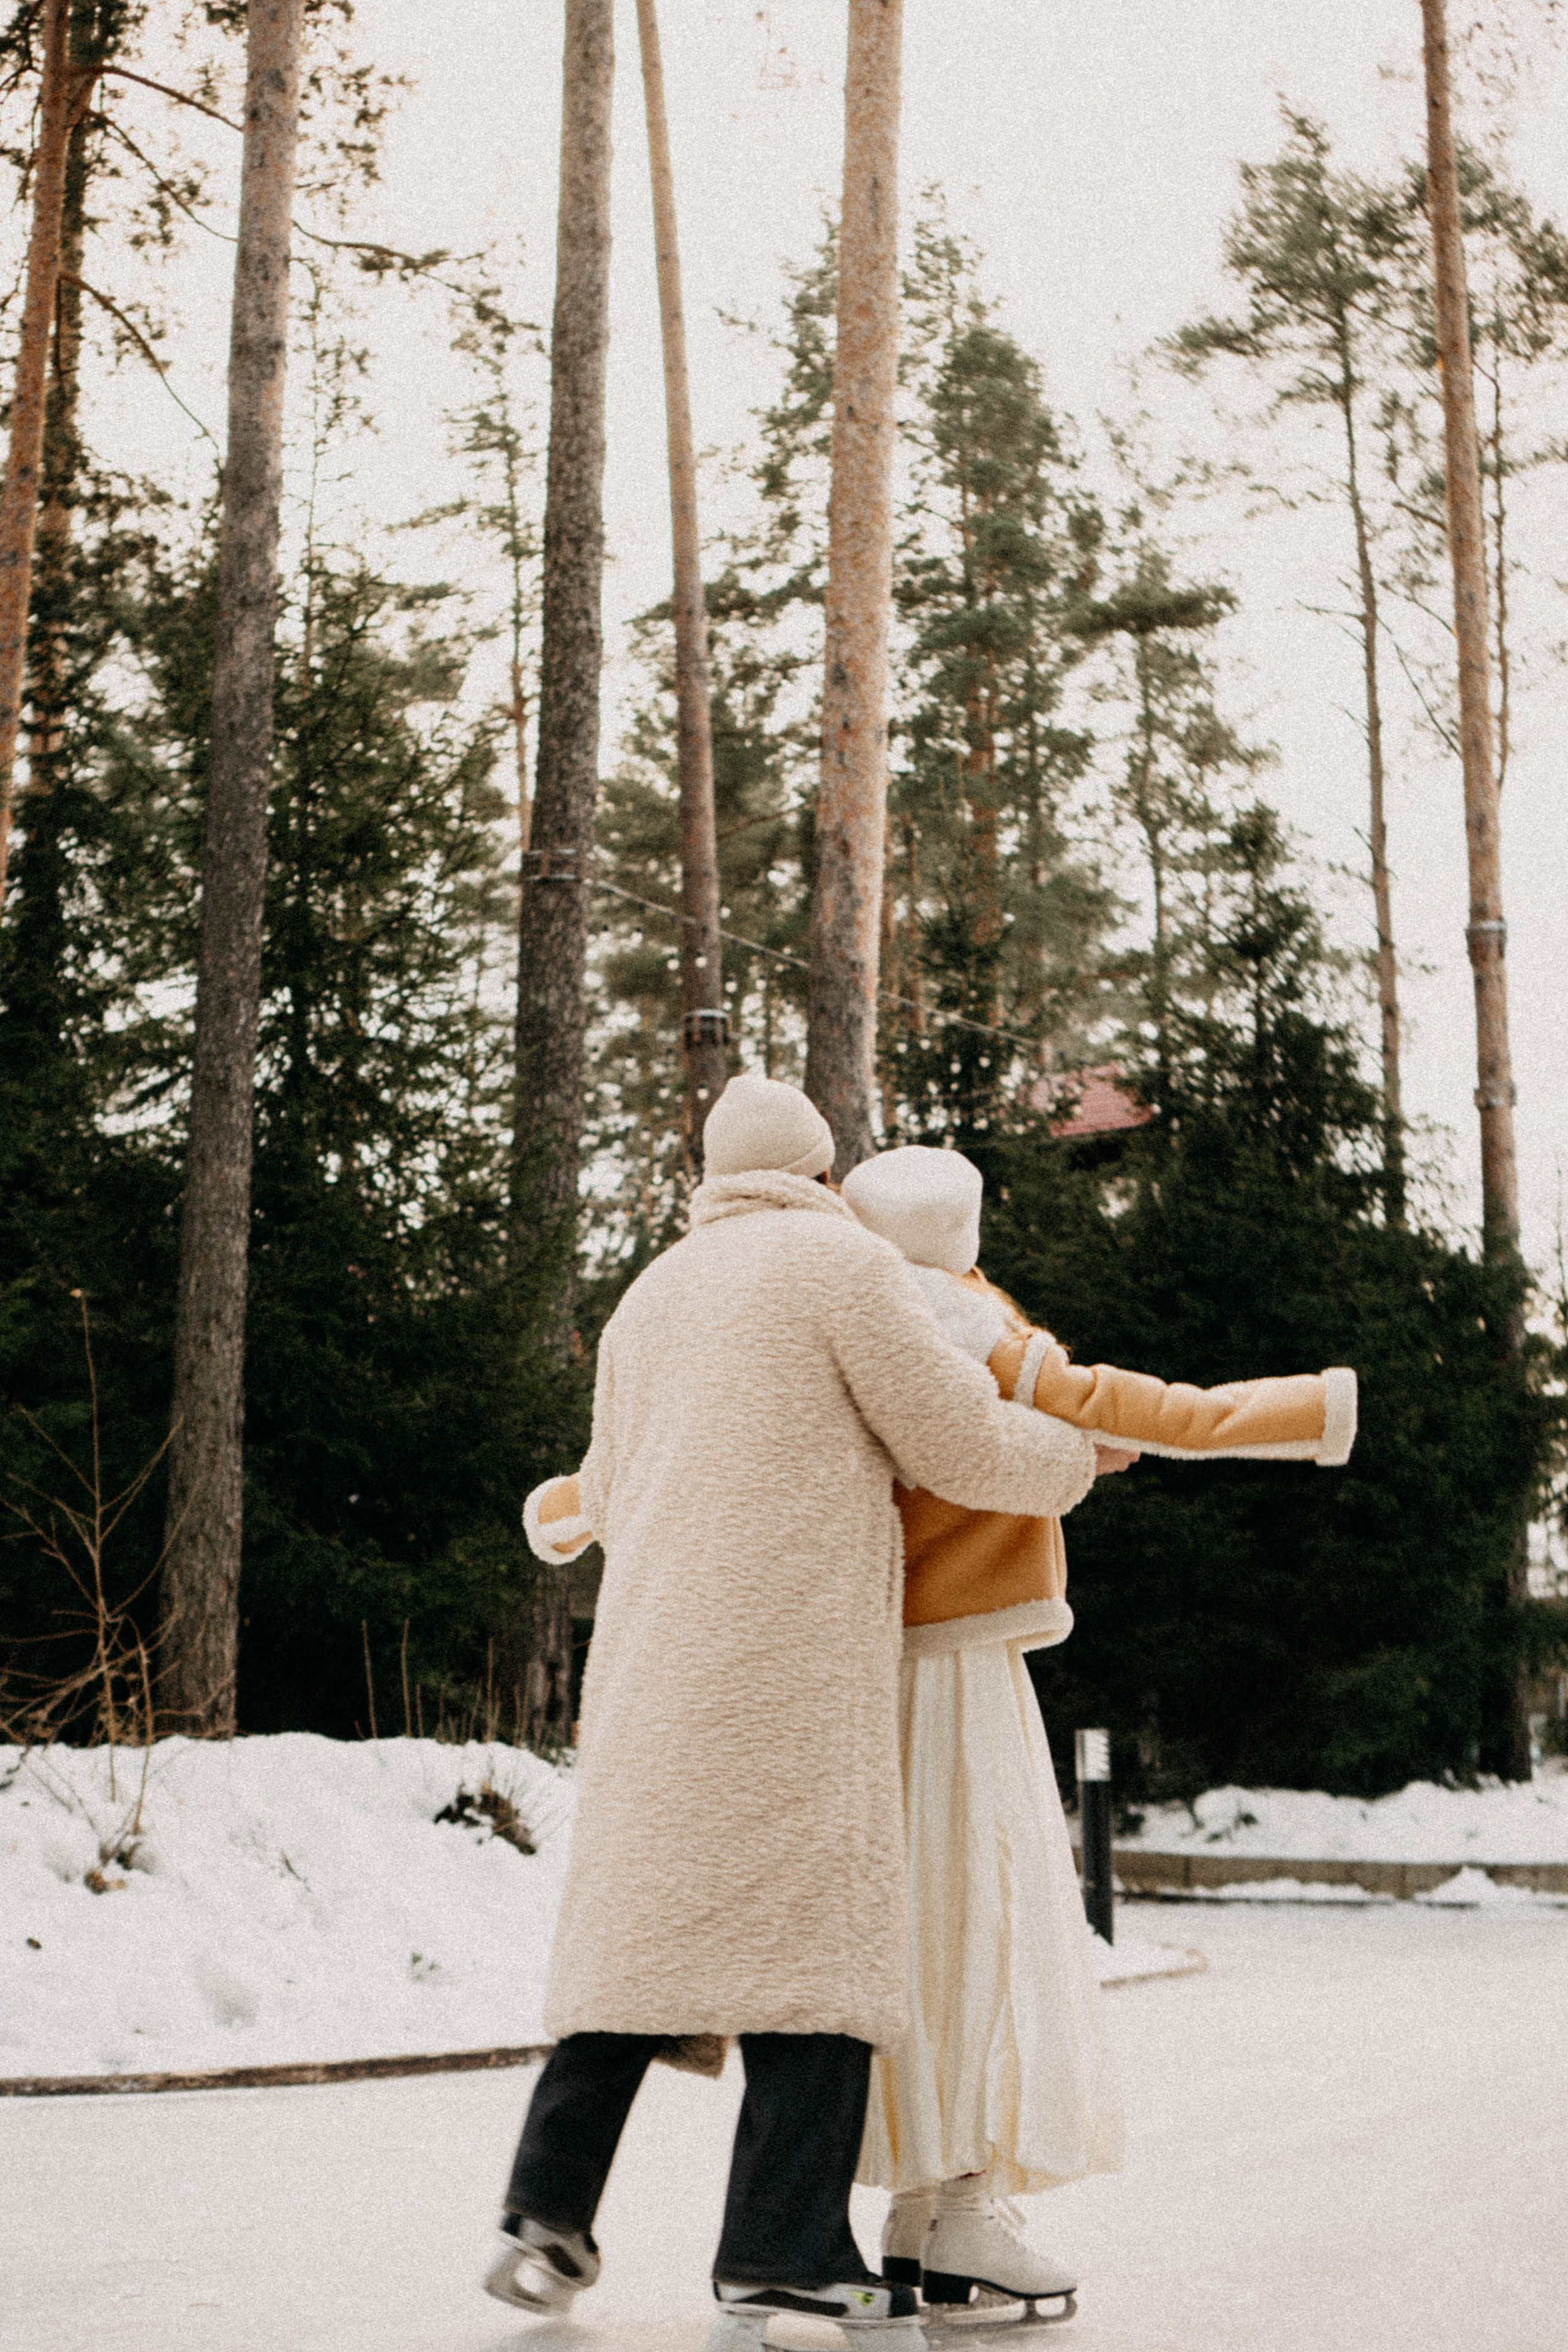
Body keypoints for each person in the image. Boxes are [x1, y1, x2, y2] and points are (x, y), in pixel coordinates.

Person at [494, 1076, 1105, 2349]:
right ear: (823, 1173)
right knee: (819, 1966)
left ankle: (543, 2211)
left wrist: (556, 1511)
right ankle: (781, 2254)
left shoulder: (648, 1297)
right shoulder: (841, 1265)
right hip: (789, 1666)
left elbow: (602, 1483)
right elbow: (949, 1436)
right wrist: (1073, 1458)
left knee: (636, 1956)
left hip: (654, 1666)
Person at [837, 1144, 1358, 2318]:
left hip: (873, 1664)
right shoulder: (966, 1323)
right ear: (960, 1236)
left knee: (922, 1926)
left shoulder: (841, 1323)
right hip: (959, 1664)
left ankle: (923, 2205)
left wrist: (572, 1507)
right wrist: (1309, 1411)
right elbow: (1139, 1408)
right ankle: (960, 2210)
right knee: (987, 1916)